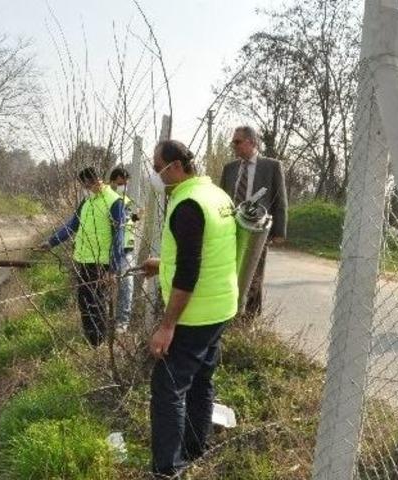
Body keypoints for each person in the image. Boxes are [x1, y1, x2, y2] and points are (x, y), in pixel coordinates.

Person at [141, 140, 238, 477]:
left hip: (194, 315)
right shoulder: (216, 196)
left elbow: (189, 270)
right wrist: (160, 263)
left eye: (157, 167)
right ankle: (196, 447)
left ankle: (168, 469)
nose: (156, 174)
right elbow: (204, 251)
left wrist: (168, 325)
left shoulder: (188, 204)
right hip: (221, 307)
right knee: (200, 380)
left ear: (175, 166)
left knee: (168, 387)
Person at [40, 167, 125, 345]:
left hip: (101, 264)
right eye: (87, 185)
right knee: (84, 302)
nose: (90, 187)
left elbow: (119, 236)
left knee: (97, 303)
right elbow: (72, 226)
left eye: (91, 183)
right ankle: (90, 339)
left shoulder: (114, 201)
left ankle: (99, 343)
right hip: (83, 262)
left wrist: (114, 268)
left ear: (97, 180)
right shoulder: (86, 202)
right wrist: (51, 242)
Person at [219, 126, 287, 319]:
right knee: (230, 271)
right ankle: (229, 314)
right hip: (230, 229)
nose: (234, 145)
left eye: (237, 141)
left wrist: (279, 232)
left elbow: (280, 200)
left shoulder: (271, 166)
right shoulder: (230, 168)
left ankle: (249, 319)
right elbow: (222, 198)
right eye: (233, 141)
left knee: (254, 275)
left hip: (257, 231)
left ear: (252, 142)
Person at [109, 166, 140, 332]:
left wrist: (136, 217)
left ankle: (122, 323)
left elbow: (126, 222)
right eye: (120, 183)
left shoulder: (126, 201)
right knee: (109, 286)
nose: (123, 186)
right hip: (111, 249)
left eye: (126, 183)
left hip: (127, 248)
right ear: (112, 182)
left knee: (126, 285)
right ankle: (108, 319)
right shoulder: (110, 200)